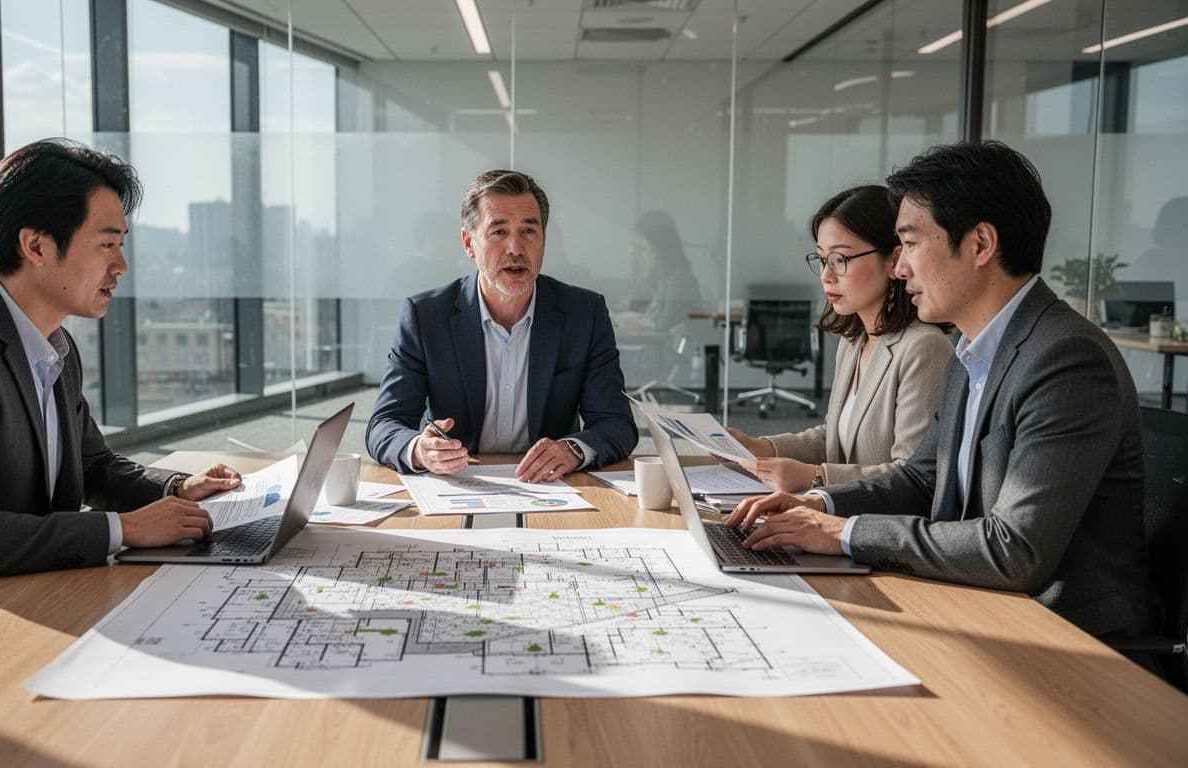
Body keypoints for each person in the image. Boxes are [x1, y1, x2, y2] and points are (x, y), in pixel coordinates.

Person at [726, 141, 1159, 641]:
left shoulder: (1066, 359)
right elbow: (924, 478)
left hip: (1063, 641)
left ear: (980, 244)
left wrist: (844, 533)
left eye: (910, 243)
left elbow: (1015, 549)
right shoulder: (972, 349)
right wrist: (820, 504)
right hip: (974, 606)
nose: (901, 266)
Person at [0, 139, 241, 644]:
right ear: (36, 246)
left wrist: (175, 489)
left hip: (25, 599)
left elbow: (95, 468)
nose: (121, 266)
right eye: (107, 244)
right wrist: (124, 529)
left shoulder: (54, 346)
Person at [365, 169, 638, 481]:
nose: (516, 249)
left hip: (552, 487)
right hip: (461, 485)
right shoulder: (426, 316)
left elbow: (616, 423)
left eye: (529, 231)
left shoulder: (583, 314)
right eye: (498, 232)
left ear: (544, 241)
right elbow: (384, 424)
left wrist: (573, 450)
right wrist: (420, 450)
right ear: (469, 243)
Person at [726, 186, 953, 492]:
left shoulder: (924, 347)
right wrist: (763, 447)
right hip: (830, 518)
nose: (826, 275)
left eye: (840, 259)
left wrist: (816, 477)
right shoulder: (854, 341)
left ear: (893, 260)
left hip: (876, 531)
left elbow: (913, 477)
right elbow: (834, 438)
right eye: (821, 260)